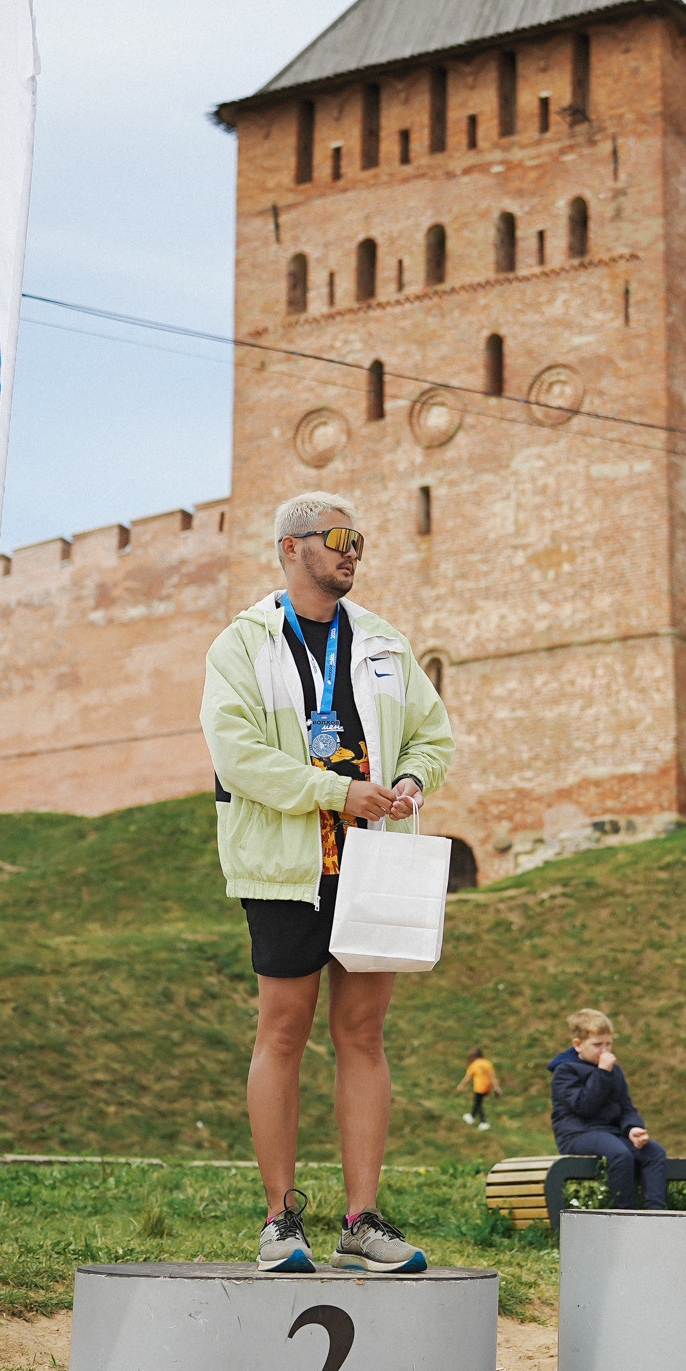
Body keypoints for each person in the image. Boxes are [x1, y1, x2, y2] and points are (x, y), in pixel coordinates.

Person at [202, 491, 454, 1275]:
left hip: (373, 862)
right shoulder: (242, 644)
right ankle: (280, 1222)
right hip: (285, 866)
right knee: (283, 1030)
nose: (352, 552)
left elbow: (432, 734)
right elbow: (235, 753)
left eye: (360, 541)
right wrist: (331, 792)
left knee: (364, 1036)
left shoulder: (382, 641)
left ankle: (362, 1221)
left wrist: (410, 780)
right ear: (290, 547)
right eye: (338, 539)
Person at [550, 1008, 668, 1210]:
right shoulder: (565, 1071)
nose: (605, 1051)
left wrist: (633, 1128)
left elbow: (625, 1106)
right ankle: (626, 1214)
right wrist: (602, 1073)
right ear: (578, 1045)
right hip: (577, 1133)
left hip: (610, 1133)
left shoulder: (615, 1071)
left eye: (609, 1044)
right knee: (620, 1154)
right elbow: (584, 1106)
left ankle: (655, 1213)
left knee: (654, 1152)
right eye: (597, 1045)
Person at [456, 1047, 499, 1130]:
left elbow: (468, 1077)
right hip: (487, 1087)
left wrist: (461, 1085)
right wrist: (496, 1087)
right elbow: (492, 1077)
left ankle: (484, 1122)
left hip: (479, 1087)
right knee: (477, 1102)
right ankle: (472, 1117)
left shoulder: (474, 1064)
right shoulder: (488, 1063)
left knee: (478, 1104)